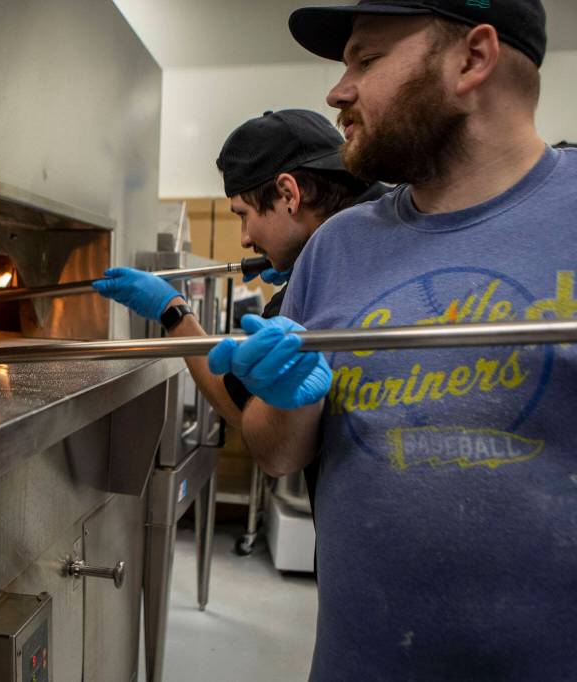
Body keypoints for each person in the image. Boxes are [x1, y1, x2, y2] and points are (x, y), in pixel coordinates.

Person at [210, 1, 576, 679]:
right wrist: (286, 401)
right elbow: (276, 454)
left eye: (367, 59)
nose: (337, 90)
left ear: (473, 58)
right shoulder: (339, 246)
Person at [93, 109, 382, 428]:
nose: (245, 239)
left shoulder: (325, 271)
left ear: (289, 195)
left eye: (243, 215)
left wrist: (172, 310)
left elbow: (236, 405)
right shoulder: (373, 228)